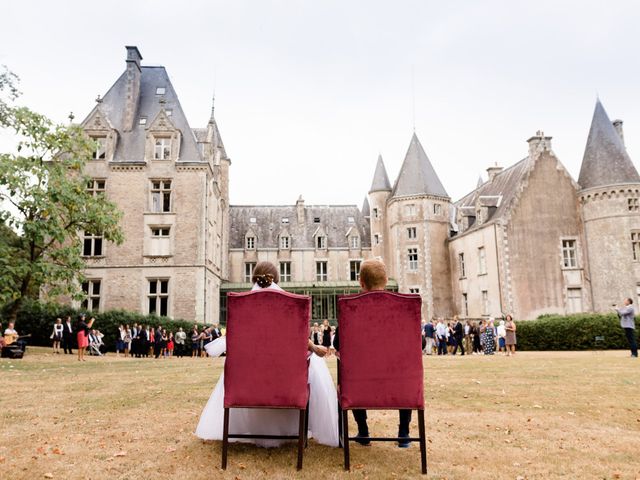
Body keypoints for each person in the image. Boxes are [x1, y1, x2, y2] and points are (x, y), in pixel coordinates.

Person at [196, 261, 338, 447]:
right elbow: (296, 334)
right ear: (276, 279)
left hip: (247, 379)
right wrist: (313, 347)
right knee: (315, 366)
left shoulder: (243, 305)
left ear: (254, 278)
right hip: (283, 378)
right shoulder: (287, 304)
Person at [332, 259, 413, 448]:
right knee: (404, 372)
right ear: (386, 280)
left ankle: (364, 430)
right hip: (398, 382)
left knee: (351, 375)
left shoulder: (351, 309)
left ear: (360, 282)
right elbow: (420, 342)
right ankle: (404, 433)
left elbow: (337, 343)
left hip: (361, 382)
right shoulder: (403, 308)